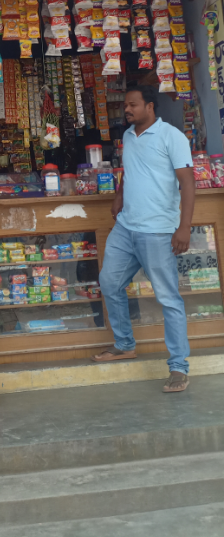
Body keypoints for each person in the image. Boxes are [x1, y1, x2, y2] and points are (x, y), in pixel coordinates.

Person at [93, 84, 195, 393]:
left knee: (168, 298)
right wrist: (119, 196)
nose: (126, 109)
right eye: (125, 105)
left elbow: (188, 183)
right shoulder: (128, 136)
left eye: (132, 105)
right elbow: (129, 170)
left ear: (150, 106)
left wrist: (184, 227)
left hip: (158, 231)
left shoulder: (172, 137)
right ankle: (124, 344)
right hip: (126, 228)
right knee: (109, 282)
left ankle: (178, 366)